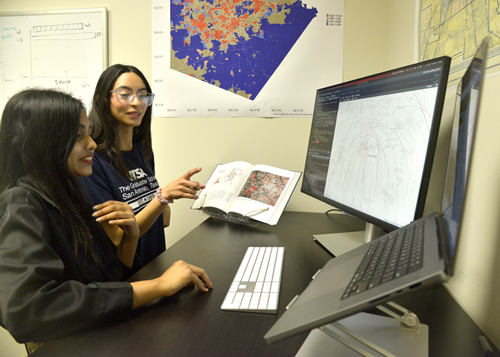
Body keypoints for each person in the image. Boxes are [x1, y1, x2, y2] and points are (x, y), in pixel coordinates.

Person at [0, 89, 213, 347]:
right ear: (44, 142)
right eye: (78, 136)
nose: (91, 143)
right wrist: (159, 286)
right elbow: (26, 310)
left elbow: (105, 276)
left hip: (97, 333)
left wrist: (130, 237)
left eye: (88, 133)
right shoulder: (22, 203)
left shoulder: (69, 190)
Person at [80, 64, 204, 270]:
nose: (136, 103)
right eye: (125, 95)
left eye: (143, 95)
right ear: (103, 99)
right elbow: (119, 237)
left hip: (154, 264)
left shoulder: (141, 150)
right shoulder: (91, 161)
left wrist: (161, 204)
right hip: (126, 278)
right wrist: (162, 198)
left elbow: (158, 216)